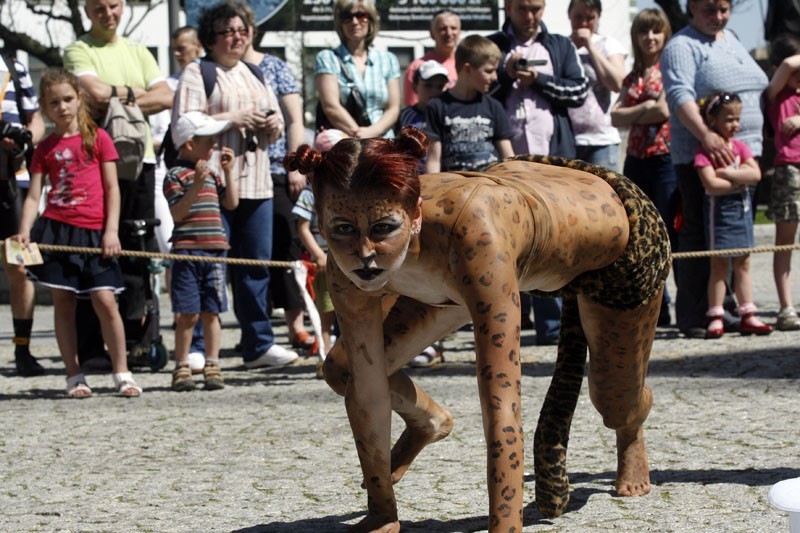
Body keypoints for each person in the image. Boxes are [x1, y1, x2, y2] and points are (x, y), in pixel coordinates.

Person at [284, 127, 670, 532]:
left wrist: (505, 527)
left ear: (414, 215)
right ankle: (429, 421)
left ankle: (630, 432)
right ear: (322, 222)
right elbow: (366, 385)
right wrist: (382, 514)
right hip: (480, 235)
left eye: (382, 229)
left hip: (614, 236)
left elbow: (502, 402)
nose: (363, 252)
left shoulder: (473, 237)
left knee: (613, 401)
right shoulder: (349, 250)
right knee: (345, 370)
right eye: (342, 229)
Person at [173, 1, 298, 369]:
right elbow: (187, 123)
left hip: (256, 181)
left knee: (254, 264)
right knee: (206, 263)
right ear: (212, 37)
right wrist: (233, 117)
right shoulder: (199, 72)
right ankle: (196, 346)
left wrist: (272, 127)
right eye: (229, 31)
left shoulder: (255, 72)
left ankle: (258, 342)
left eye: (243, 31)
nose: (238, 38)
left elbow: (273, 118)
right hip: (208, 181)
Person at [12, 70, 142, 398]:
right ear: (44, 106)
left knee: (105, 299)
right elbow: (33, 196)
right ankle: (74, 375)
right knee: (63, 301)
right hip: (57, 229)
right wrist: (25, 230)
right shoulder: (45, 148)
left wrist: (111, 231)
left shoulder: (98, 138)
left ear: (79, 99)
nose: (63, 107)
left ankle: (122, 371)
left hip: (96, 230)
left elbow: (113, 189)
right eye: (54, 102)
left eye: (68, 99)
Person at [63, 0, 174, 364]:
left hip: (139, 161)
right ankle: (92, 346)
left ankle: (134, 343)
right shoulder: (78, 49)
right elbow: (92, 93)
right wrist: (135, 95)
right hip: (95, 162)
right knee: (94, 249)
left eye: (113, 6)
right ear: (87, 10)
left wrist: (117, 94)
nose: (107, 14)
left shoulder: (139, 51)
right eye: (99, 8)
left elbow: (166, 96)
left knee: (135, 251)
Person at [661, 0, 768, 339]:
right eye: (709, 9)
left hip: (742, 153)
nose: (718, 16)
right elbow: (680, 95)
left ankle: (730, 309)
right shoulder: (682, 45)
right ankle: (695, 314)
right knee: (699, 235)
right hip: (703, 154)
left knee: (736, 240)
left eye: (723, 8)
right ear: (692, 7)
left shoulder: (732, 37)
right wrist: (707, 136)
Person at [487, 0, 590, 346]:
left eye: (535, 8)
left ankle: (555, 327)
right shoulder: (492, 46)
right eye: (521, 9)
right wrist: (506, 73)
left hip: (554, 160)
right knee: (509, 244)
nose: (529, 17)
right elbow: (475, 92)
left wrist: (540, 79)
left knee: (557, 241)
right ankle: (512, 323)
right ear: (507, 7)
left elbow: (579, 91)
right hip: (504, 164)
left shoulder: (560, 45)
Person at [238, 2, 314, 352]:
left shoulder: (274, 65)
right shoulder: (221, 68)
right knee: (250, 254)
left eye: (243, 28)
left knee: (288, 246)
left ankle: (295, 325)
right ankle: (255, 332)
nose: (238, 36)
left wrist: (295, 164)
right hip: (239, 171)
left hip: (278, 170)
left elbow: (295, 118)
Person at [610, 8, 675, 326]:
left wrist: (640, 110)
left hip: (665, 158)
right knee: (640, 233)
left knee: (667, 231)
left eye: (656, 31)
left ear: (665, 34)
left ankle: (671, 299)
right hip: (636, 158)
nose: (650, 37)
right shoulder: (632, 75)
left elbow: (663, 109)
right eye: (643, 32)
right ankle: (654, 304)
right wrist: (646, 108)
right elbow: (614, 116)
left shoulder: (670, 70)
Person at [164, 112, 238, 391]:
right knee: (187, 313)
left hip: (216, 250)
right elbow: (178, 213)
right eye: (209, 141)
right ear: (190, 144)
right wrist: (195, 183)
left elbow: (230, 204)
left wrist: (229, 174)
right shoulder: (175, 175)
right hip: (187, 252)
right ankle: (181, 365)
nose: (214, 147)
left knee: (212, 311)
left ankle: (213, 363)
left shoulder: (212, 173)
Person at [694, 92, 772, 338]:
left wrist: (728, 175)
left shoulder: (740, 147)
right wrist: (740, 180)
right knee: (718, 266)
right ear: (712, 120)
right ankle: (716, 315)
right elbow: (710, 184)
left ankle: (748, 313)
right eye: (729, 119)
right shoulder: (705, 152)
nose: (735, 125)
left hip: (742, 214)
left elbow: (755, 175)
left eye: (737, 119)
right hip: (719, 217)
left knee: (743, 264)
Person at [0, 53, 46, 376]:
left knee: (19, 266)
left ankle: (23, 350)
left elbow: (35, 119)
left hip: (13, 181)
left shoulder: (14, 65)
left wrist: (25, 143)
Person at [425, 35, 514, 174]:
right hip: (453, 189)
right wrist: (432, 192)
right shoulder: (437, 106)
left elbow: (509, 157)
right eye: (489, 71)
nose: (495, 77)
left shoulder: (494, 106)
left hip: (489, 188)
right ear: (467, 69)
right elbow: (433, 159)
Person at [315, 0, 401, 139]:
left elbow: (393, 108)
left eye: (361, 15)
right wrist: (359, 134)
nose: (354, 22)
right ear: (340, 23)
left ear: (370, 20)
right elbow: (331, 106)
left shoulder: (388, 60)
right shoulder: (327, 58)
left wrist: (373, 132)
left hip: (384, 144)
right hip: (346, 144)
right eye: (347, 17)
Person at [764, 34, 800, 331]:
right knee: (784, 243)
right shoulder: (776, 93)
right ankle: (786, 306)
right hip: (789, 169)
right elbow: (788, 63)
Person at [566, 0, 626, 170]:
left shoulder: (608, 44)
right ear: (569, 15)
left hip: (601, 141)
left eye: (590, 17)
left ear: (598, 18)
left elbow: (618, 84)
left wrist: (590, 47)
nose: (584, 23)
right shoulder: (562, 46)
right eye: (578, 17)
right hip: (569, 141)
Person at [402, 10, 461, 107]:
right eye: (443, 28)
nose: (449, 33)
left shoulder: (466, 66)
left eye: (453, 28)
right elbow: (412, 107)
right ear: (432, 34)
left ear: (459, 32)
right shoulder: (417, 67)